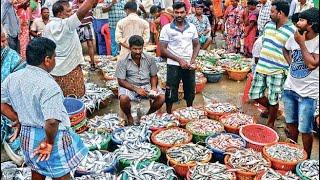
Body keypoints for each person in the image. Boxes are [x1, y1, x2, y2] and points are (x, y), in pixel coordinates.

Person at [1, 37, 88, 179]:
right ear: (47, 60)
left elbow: (1, 103)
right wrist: (48, 142)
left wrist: (17, 118)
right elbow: (52, 121)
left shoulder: (13, 78)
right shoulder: (49, 85)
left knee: (37, 170)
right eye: (54, 57)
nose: (55, 60)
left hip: (27, 137)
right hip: (48, 136)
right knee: (61, 174)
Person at [249, 0, 296, 129]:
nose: (270, 14)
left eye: (272, 12)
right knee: (255, 94)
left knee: (273, 98)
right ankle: (273, 111)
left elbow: (293, 51)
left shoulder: (292, 30)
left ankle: (271, 123)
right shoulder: (269, 25)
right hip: (262, 66)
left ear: (280, 13)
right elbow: (264, 43)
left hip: (278, 69)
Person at [282, 8, 319, 158]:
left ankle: (306, 158)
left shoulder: (316, 41)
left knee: (305, 129)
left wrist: (302, 44)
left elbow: (312, 64)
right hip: (290, 88)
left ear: (311, 25)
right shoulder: (295, 37)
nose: (298, 22)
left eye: (302, 20)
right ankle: (292, 153)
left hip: (308, 94)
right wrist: (291, 63)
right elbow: (285, 49)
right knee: (291, 124)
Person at [43, 0, 96, 97]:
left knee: (60, 99)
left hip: (54, 71)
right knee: (76, 98)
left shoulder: (47, 27)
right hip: (71, 69)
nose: (71, 13)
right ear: (59, 14)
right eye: (68, 11)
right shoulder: (68, 24)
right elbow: (82, 11)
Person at [159, 2, 201, 114]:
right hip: (173, 65)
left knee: (190, 90)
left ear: (186, 13)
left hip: (188, 65)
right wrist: (179, 60)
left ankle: (189, 111)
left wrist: (192, 60)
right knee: (171, 91)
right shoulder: (166, 29)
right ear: (173, 13)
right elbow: (162, 49)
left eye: (181, 12)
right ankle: (168, 113)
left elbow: (197, 44)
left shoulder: (192, 27)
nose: (179, 15)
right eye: (176, 12)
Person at [115, 35, 165, 125]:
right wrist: (136, 89)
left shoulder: (149, 59)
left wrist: (153, 87)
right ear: (130, 48)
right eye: (135, 49)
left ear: (143, 47)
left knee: (161, 97)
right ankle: (129, 116)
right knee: (123, 98)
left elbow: (154, 75)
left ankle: (148, 115)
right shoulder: (122, 61)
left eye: (140, 49)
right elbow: (121, 81)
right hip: (130, 85)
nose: (138, 52)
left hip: (146, 85)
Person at [1, 25, 26, 145]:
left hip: (10, 105)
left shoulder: (12, 56)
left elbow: (23, 83)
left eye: (3, 40)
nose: (2, 45)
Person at [72, 0, 97, 71]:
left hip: (87, 25)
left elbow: (94, 4)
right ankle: (77, 64)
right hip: (77, 25)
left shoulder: (88, 2)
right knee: (76, 45)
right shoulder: (74, 3)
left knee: (90, 44)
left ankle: (92, 63)